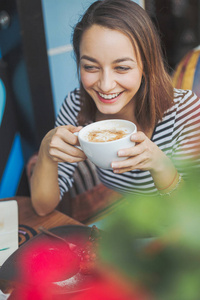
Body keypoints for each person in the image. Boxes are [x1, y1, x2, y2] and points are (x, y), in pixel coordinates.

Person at [30, 0, 200, 216]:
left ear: (146, 66)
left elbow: (194, 215)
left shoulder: (184, 111)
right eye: (90, 67)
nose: (105, 84)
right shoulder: (77, 106)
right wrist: (46, 151)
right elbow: (42, 207)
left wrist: (161, 166)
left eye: (122, 67)